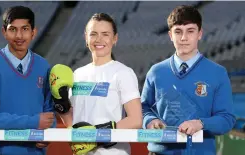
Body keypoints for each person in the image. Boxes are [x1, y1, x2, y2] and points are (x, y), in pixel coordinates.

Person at [141, 5, 236, 155]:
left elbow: (226, 119)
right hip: (159, 152)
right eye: (178, 32)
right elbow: (142, 108)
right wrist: (150, 120)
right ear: (170, 35)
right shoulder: (156, 72)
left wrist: (201, 123)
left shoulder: (217, 73)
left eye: (190, 31)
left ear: (200, 34)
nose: (184, 38)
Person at [50, 13, 143, 155]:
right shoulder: (77, 74)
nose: (99, 39)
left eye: (105, 34)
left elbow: (136, 120)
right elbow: (72, 122)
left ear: (115, 38)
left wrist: (97, 136)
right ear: (86, 38)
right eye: (93, 34)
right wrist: (60, 102)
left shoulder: (123, 72)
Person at [0, 6, 56, 155]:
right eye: (13, 29)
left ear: (34, 32)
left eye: (25, 29)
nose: (19, 35)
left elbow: (49, 113)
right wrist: (33, 122)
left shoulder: (44, 66)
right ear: (4, 32)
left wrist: (48, 134)